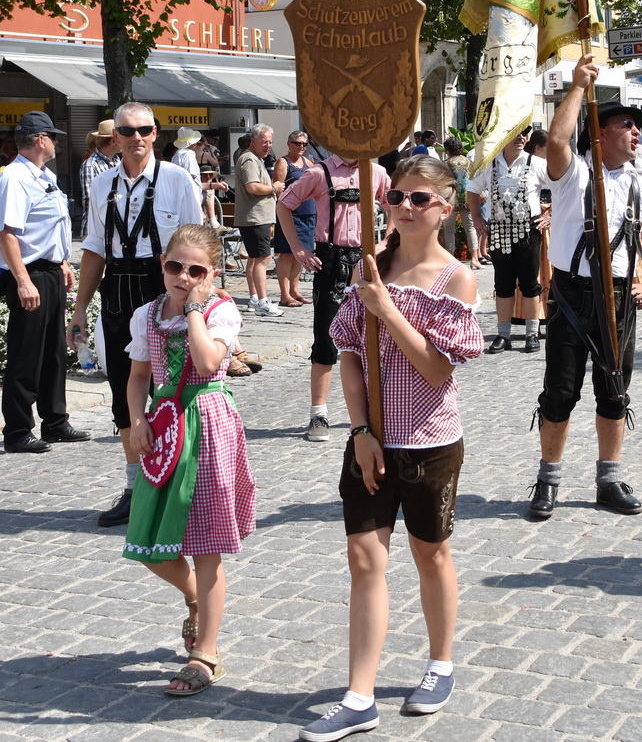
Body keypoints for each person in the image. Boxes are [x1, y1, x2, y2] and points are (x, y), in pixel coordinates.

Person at [298, 157, 483, 741]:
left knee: (430, 554)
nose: (405, 206)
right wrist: (359, 431)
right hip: (372, 442)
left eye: (420, 199)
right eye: (398, 195)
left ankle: (440, 662)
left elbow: (436, 369)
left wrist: (389, 310)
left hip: (430, 443)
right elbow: (349, 354)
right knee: (363, 560)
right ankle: (359, 696)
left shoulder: (455, 278)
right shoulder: (368, 268)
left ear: (445, 208)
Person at [526, 55, 642, 521]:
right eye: (628, 126)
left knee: (614, 391)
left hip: (618, 296)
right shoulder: (575, 172)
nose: (638, 134)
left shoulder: (640, 181)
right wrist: (577, 86)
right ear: (602, 132)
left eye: (638, 127)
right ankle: (548, 480)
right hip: (572, 294)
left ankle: (608, 479)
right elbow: (556, 140)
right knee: (560, 393)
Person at [121, 222, 255, 696]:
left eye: (195, 269)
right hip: (164, 424)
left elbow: (204, 363)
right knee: (149, 542)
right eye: (174, 265)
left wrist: (196, 308)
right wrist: (136, 421)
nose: (182, 276)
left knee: (205, 544)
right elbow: (138, 377)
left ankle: (206, 654)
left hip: (208, 422)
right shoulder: (147, 315)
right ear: (162, 264)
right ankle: (198, 599)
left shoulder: (221, 311)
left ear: (212, 274)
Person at [71, 103, 202, 524]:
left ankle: (180, 484)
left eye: (144, 130)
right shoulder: (102, 184)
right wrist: (79, 310)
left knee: (177, 387)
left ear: (156, 132)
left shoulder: (178, 180)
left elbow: (199, 248)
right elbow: (93, 247)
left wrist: (198, 305)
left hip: (165, 287)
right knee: (124, 391)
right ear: (116, 138)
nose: (136, 138)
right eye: (127, 132)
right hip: (117, 290)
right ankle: (135, 487)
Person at [0, 111, 87, 453]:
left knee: (54, 353)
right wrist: (23, 281)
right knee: (26, 355)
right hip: (29, 274)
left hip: (49, 271)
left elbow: (46, 225)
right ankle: (17, 431)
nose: (58, 142)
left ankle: (55, 422)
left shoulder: (42, 175)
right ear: (41, 139)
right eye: (54, 136)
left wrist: (62, 261)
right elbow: (7, 234)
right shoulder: (14, 178)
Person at [280, 152, 390, 441]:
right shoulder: (319, 173)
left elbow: (396, 204)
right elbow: (284, 205)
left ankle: (376, 411)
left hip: (366, 260)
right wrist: (298, 248)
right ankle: (319, 414)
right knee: (326, 339)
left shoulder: (375, 172)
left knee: (375, 337)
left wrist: (388, 241)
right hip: (330, 259)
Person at [468, 128, 545, 350]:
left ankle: (532, 333)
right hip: (500, 230)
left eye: (524, 134)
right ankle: (504, 334)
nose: (521, 138)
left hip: (527, 230)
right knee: (502, 284)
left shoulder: (535, 163)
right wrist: (476, 217)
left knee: (530, 284)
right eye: (516, 134)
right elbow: (472, 190)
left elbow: (561, 187)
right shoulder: (490, 163)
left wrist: (549, 215)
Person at [233, 125, 284, 318]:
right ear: (253, 141)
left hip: (255, 217)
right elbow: (252, 187)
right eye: (264, 141)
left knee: (255, 259)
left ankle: (255, 298)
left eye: (270, 142)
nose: (268, 145)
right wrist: (274, 188)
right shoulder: (249, 159)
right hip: (255, 218)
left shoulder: (255, 159)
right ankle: (263, 301)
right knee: (263, 259)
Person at [272, 132, 315, 308]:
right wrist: (284, 212)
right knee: (287, 254)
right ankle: (284, 294)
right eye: (298, 143)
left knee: (301, 254)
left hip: (308, 213)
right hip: (291, 214)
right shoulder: (283, 162)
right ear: (289, 144)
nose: (301, 147)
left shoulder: (309, 163)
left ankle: (294, 290)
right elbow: (278, 188)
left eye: (305, 144)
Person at [78, 120, 118, 234]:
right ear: (113, 140)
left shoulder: (118, 161)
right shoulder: (91, 165)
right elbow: (90, 201)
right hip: (97, 231)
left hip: (115, 231)